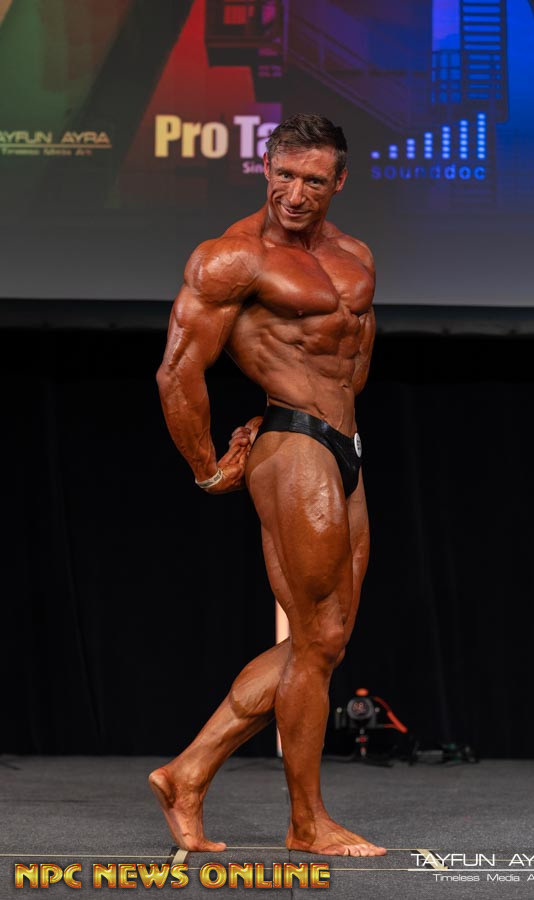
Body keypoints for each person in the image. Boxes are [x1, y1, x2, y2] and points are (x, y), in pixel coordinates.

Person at [150, 113, 383, 857]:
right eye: (284, 174)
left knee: (325, 641)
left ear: (338, 181)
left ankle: (188, 773)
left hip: (343, 445)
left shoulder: (354, 255)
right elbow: (177, 371)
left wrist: (336, 420)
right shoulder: (233, 258)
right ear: (265, 169)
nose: (295, 193)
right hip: (294, 443)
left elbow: (353, 355)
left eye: (313, 179)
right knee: (316, 638)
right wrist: (207, 467)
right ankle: (307, 823)